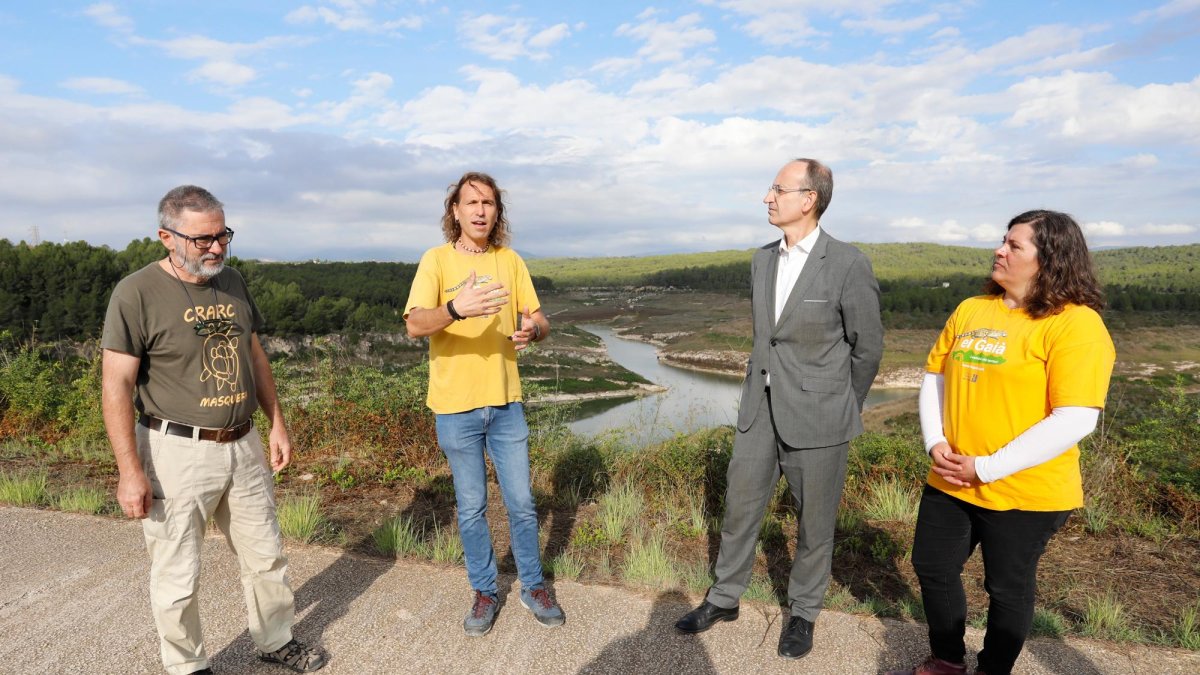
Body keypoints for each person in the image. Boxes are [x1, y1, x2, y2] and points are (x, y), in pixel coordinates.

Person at [101, 186, 325, 675]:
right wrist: (129, 471)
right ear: (167, 237)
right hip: (175, 451)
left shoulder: (232, 281)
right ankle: (187, 666)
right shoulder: (136, 293)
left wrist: (277, 422)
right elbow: (115, 385)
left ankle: (275, 640)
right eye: (203, 239)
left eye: (223, 235)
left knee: (266, 556)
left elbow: (254, 354)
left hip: (243, 443)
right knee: (178, 571)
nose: (217, 247)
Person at [889, 210, 1115, 675]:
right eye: (1003, 241)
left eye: (1015, 245)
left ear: (1050, 259)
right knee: (933, 567)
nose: (1000, 250)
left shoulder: (1077, 324)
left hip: (1026, 490)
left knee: (1006, 587)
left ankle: (993, 669)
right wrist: (935, 441)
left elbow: (1076, 418)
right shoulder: (971, 308)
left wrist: (987, 467)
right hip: (952, 475)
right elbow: (935, 376)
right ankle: (948, 659)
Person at [675, 158, 884, 659]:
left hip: (820, 416)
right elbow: (766, 339)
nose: (767, 198)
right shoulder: (762, 259)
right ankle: (724, 598)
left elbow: (868, 348)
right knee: (740, 508)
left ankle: (803, 612)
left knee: (815, 523)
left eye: (777, 189)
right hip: (759, 410)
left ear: (809, 199)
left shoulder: (848, 263)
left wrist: (842, 405)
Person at [404, 171, 565, 637]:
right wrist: (458, 308)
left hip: (506, 403)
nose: (480, 210)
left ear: (497, 213)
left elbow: (540, 319)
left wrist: (534, 330)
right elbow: (414, 325)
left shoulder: (510, 261)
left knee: (522, 502)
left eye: (489, 203)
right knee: (472, 505)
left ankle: (533, 586)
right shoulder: (435, 261)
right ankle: (485, 591)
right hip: (455, 406)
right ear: (455, 211)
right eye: (471, 202)